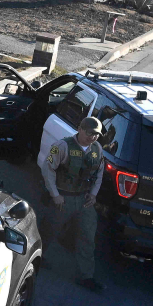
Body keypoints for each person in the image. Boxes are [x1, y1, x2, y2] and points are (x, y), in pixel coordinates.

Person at [40, 115, 106, 292]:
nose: (93, 137)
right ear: (80, 129)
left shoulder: (97, 149)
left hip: (84, 199)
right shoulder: (62, 146)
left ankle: (86, 276)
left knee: (87, 237)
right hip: (63, 198)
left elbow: (99, 173)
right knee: (49, 229)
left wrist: (93, 194)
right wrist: (55, 195)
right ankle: (36, 257)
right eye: (90, 133)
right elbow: (48, 169)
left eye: (97, 134)